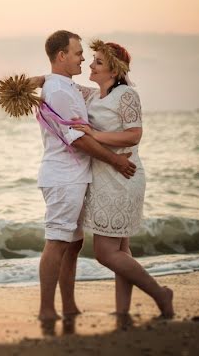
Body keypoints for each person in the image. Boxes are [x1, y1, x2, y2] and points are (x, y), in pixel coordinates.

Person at [35, 31, 137, 322]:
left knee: (73, 243)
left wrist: (38, 78)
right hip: (64, 176)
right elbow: (76, 139)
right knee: (57, 241)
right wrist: (115, 160)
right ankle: (46, 308)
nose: (83, 58)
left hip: (76, 175)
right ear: (61, 56)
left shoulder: (65, 86)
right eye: (78, 53)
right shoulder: (59, 91)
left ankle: (68, 305)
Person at [72, 40, 174, 318]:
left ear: (114, 71)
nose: (91, 65)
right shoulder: (93, 96)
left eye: (98, 62)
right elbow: (61, 85)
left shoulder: (127, 94)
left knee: (106, 253)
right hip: (105, 176)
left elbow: (134, 134)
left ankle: (160, 293)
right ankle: (123, 311)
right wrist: (33, 82)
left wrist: (94, 135)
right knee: (121, 249)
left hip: (124, 176)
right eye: (92, 59)